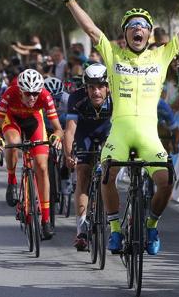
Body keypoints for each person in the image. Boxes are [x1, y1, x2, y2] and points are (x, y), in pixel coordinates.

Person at [58, 0, 179, 255]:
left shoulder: (161, 55)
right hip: (120, 134)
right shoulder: (113, 54)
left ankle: (150, 224)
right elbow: (90, 29)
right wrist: (69, 1)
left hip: (148, 136)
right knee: (106, 176)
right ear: (126, 34)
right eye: (132, 26)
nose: (138, 29)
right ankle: (114, 230)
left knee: (166, 182)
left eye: (143, 26)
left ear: (149, 34)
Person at [0, 69, 64, 239]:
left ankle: (45, 220)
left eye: (35, 94)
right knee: (13, 143)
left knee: (42, 167)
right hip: (12, 119)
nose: (32, 98)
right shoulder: (9, 94)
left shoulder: (45, 96)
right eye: (28, 94)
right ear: (20, 91)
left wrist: (55, 138)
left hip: (33, 121)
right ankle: (12, 181)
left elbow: (59, 129)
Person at [63, 64, 112, 251]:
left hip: (108, 133)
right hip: (84, 134)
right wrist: (69, 155)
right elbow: (69, 130)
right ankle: (81, 231)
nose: (96, 91)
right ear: (86, 88)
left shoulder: (116, 98)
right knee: (83, 173)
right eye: (91, 87)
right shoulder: (76, 98)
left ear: (108, 87)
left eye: (100, 86)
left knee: (110, 171)